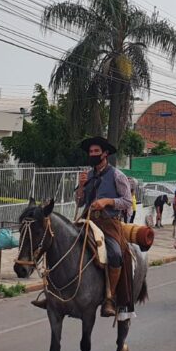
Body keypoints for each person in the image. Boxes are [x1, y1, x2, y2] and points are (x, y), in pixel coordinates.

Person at [34, 136, 132, 317]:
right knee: (58, 245)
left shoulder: (118, 176)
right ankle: (52, 293)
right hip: (86, 220)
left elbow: (127, 202)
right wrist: (80, 187)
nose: (93, 154)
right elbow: (79, 202)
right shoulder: (87, 175)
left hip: (109, 224)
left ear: (105, 153)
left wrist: (107, 201)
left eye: (96, 151)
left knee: (115, 254)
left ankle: (109, 298)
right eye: (91, 152)